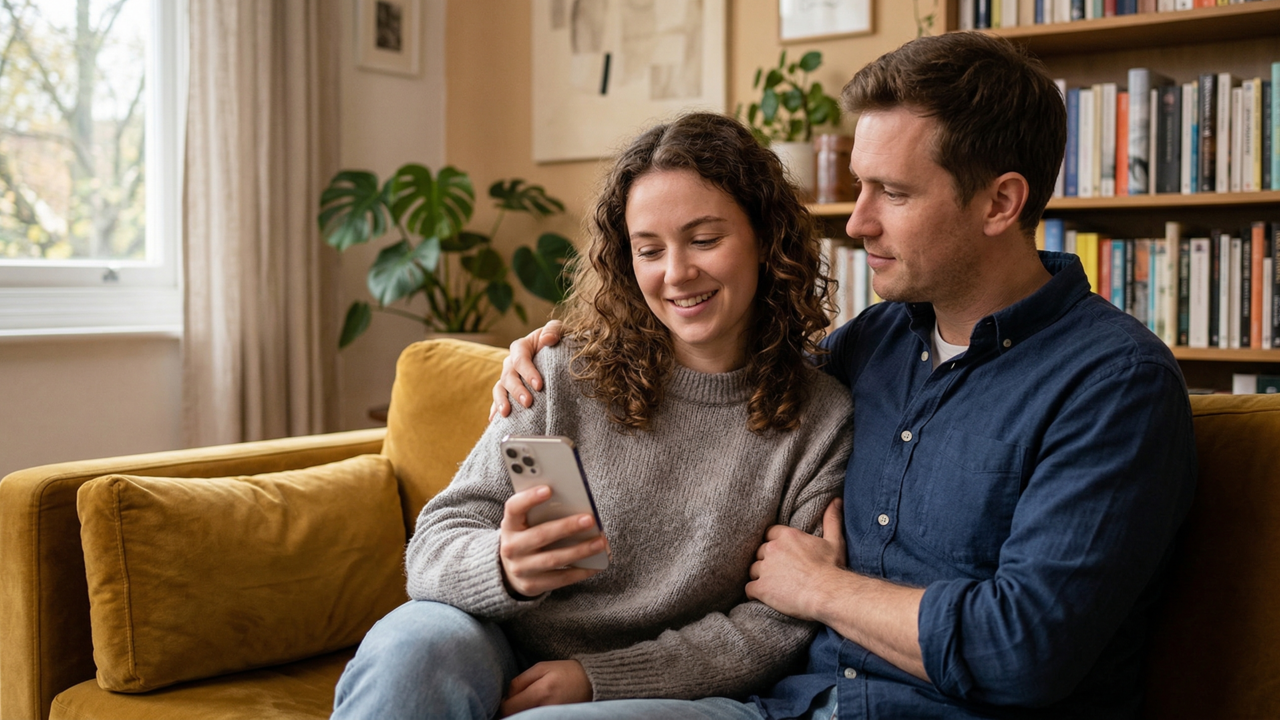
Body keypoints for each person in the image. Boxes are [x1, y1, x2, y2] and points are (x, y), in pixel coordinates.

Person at [492, 31, 1197, 719]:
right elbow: (723, 383)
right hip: (784, 705)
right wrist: (569, 351)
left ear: (999, 203)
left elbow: (1024, 650)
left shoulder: (1114, 385)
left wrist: (823, 591)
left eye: (893, 192)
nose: (858, 222)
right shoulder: (872, 344)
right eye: (861, 185)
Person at [330, 112, 855, 720]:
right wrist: (502, 566)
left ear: (765, 238)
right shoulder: (561, 373)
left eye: (705, 240)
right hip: (500, 640)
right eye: (649, 250)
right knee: (411, 651)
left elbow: (773, 626)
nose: (676, 273)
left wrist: (598, 678)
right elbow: (434, 544)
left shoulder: (819, 418)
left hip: (665, 688)